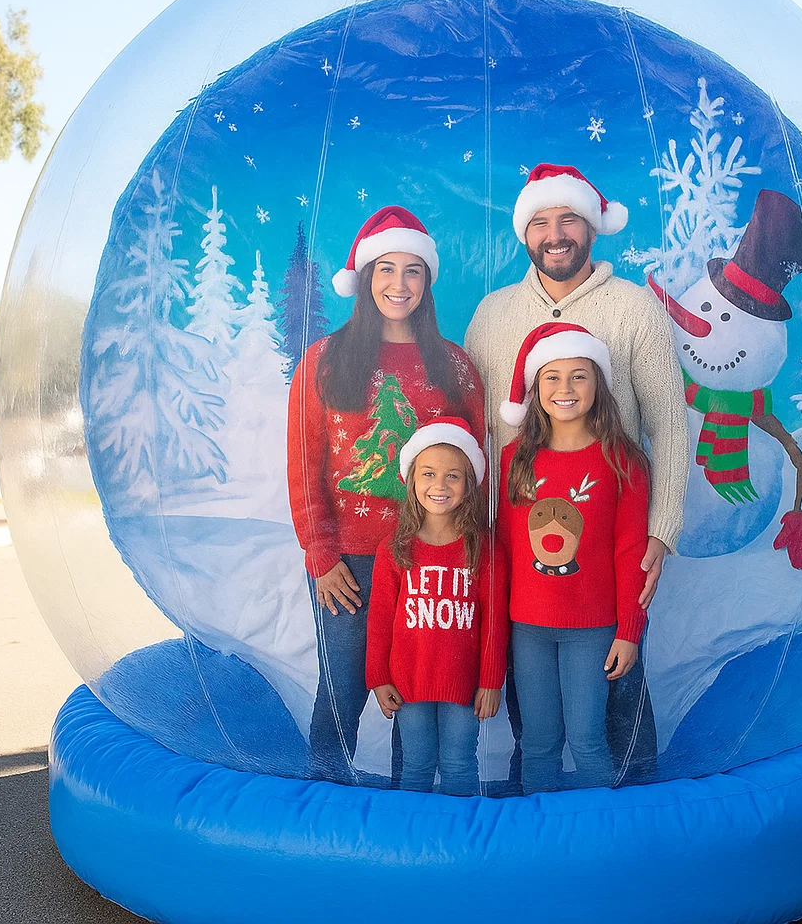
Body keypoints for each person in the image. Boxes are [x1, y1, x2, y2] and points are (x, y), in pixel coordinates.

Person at [464, 162, 689, 785]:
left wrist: (661, 530)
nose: (554, 234)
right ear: (524, 233)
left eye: (567, 219)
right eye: (540, 222)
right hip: (519, 555)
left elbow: (669, 423)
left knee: (616, 695)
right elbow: (475, 434)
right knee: (530, 713)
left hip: (609, 539)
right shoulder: (492, 315)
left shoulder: (634, 310)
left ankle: (632, 817)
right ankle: (538, 830)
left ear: (591, 226)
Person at [287, 206, 484, 785]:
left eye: (413, 271)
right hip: (350, 565)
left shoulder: (456, 368)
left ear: (428, 282)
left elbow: (479, 473)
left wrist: (473, 557)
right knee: (344, 690)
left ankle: (411, 823)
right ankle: (317, 813)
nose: (399, 285)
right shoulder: (323, 362)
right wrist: (321, 558)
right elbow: (304, 467)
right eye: (386, 270)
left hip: (436, 566)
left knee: (418, 704)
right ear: (366, 278)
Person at [497, 323, 649, 794]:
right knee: (539, 741)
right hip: (527, 627)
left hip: (593, 628)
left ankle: (604, 847)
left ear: (598, 384)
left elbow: (630, 553)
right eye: (552, 378)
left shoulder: (623, 460)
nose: (565, 389)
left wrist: (629, 630)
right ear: (535, 389)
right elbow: (502, 549)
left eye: (578, 376)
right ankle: (537, 847)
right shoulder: (512, 461)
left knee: (587, 740)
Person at [366, 418, 508, 796]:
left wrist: (491, 682)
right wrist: (378, 678)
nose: (439, 485)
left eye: (452, 476)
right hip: (409, 680)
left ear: (469, 484)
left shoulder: (485, 548)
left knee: (460, 762)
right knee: (416, 764)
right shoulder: (394, 549)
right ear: (412, 480)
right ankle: (413, 848)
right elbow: (379, 620)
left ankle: (461, 848)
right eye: (428, 473)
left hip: (463, 683)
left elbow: (494, 623)